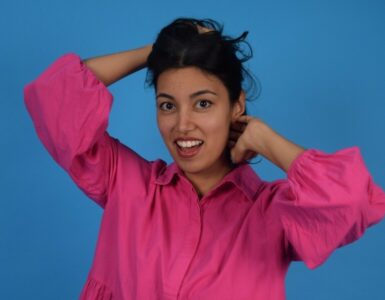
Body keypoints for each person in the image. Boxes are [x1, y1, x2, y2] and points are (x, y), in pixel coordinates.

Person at [23, 17, 385, 300]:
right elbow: (54, 95)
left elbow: (355, 200)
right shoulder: (127, 183)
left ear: (237, 105)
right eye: (168, 105)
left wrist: (266, 139)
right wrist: (158, 52)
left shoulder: (272, 213)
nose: (182, 125)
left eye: (203, 103)